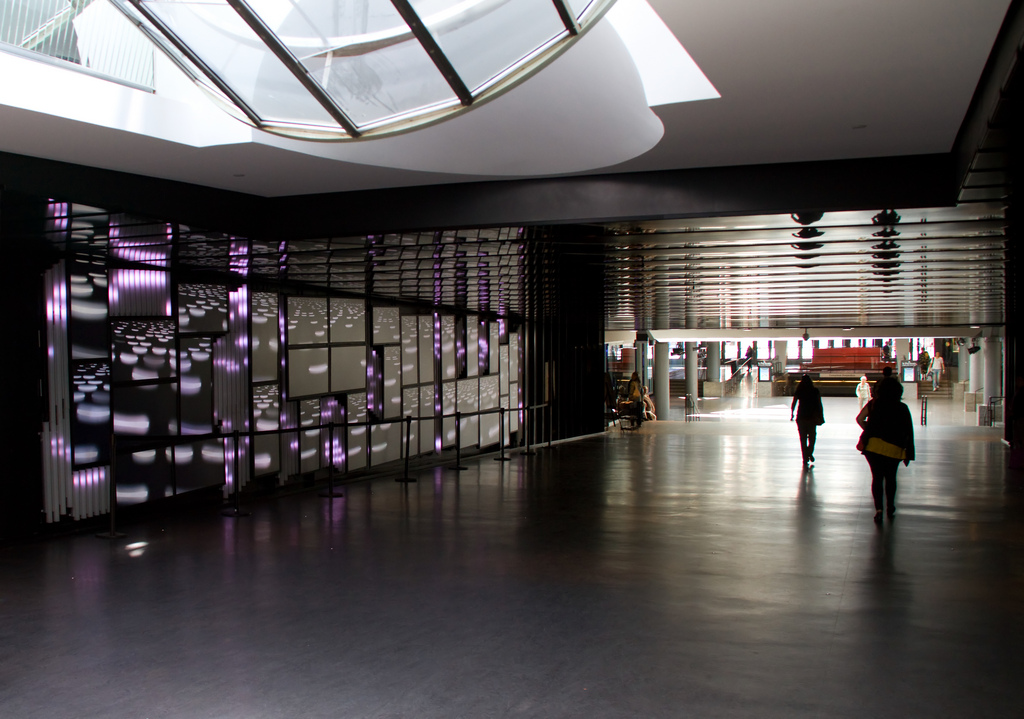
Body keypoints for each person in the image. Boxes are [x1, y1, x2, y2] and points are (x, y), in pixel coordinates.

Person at [856, 376, 915, 521]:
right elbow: (908, 431)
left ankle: (879, 509)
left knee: (877, 477)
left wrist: (869, 428)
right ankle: (890, 506)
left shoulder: (874, 404)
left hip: (873, 447)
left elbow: (859, 419)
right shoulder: (902, 408)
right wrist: (908, 453)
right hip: (894, 448)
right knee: (890, 478)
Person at [791, 375, 824, 466]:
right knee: (812, 437)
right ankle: (809, 452)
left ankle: (805, 457)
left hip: (801, 417)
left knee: (803, 438)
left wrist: (792, 413)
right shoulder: (815, 391)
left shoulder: (799, 391)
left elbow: (794, 402)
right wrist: (821, 417)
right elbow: (819, 404)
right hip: (811, 418)